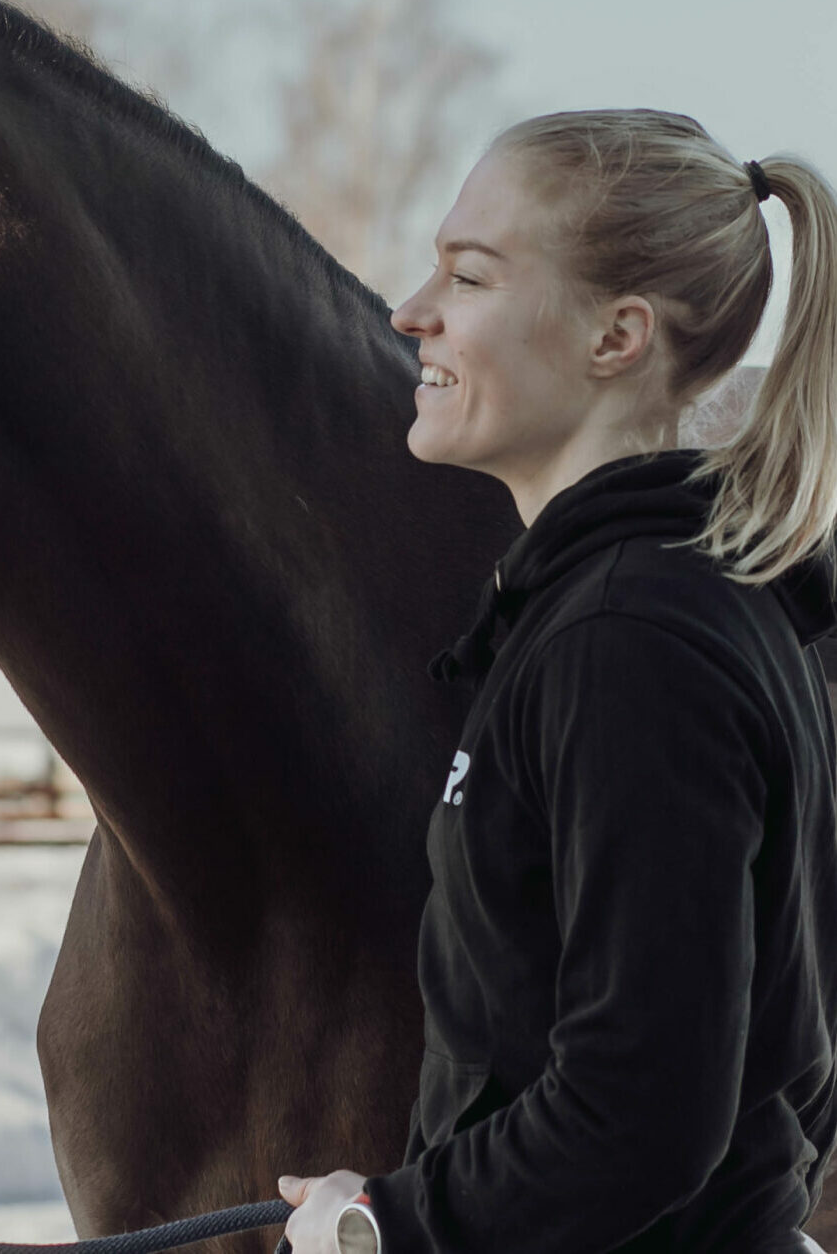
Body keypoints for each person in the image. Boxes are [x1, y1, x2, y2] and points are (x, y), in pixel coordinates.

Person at [278, 109, 837, 1254]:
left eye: (468, 274)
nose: (409, 310)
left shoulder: (628, 645)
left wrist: (393, 1230)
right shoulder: (656, 611)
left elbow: (641, 1108)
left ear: (615, 336)